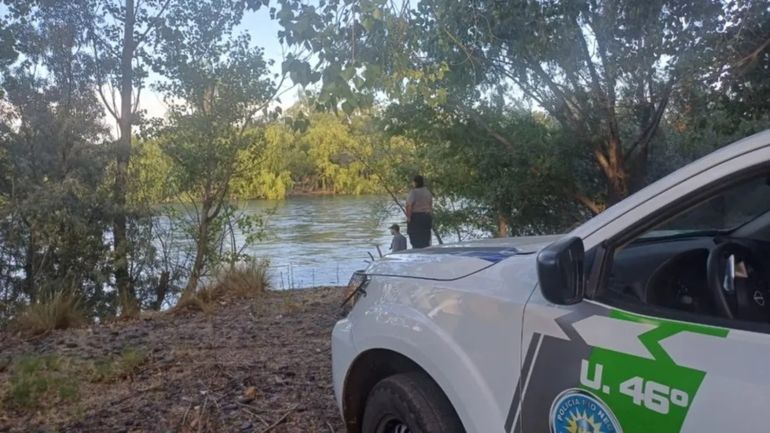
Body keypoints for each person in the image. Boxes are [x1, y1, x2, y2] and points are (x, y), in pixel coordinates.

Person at [405, 174, 433, 248]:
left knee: (415, 238)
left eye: (413, 182)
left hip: (416, 217)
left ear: (415, 182)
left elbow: (409, 205)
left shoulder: (413, 192)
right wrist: (430, 215)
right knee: (425, 238)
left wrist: (408, 217)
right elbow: (430, 204)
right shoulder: (427, 191)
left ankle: (417, 251)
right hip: (426, 216)